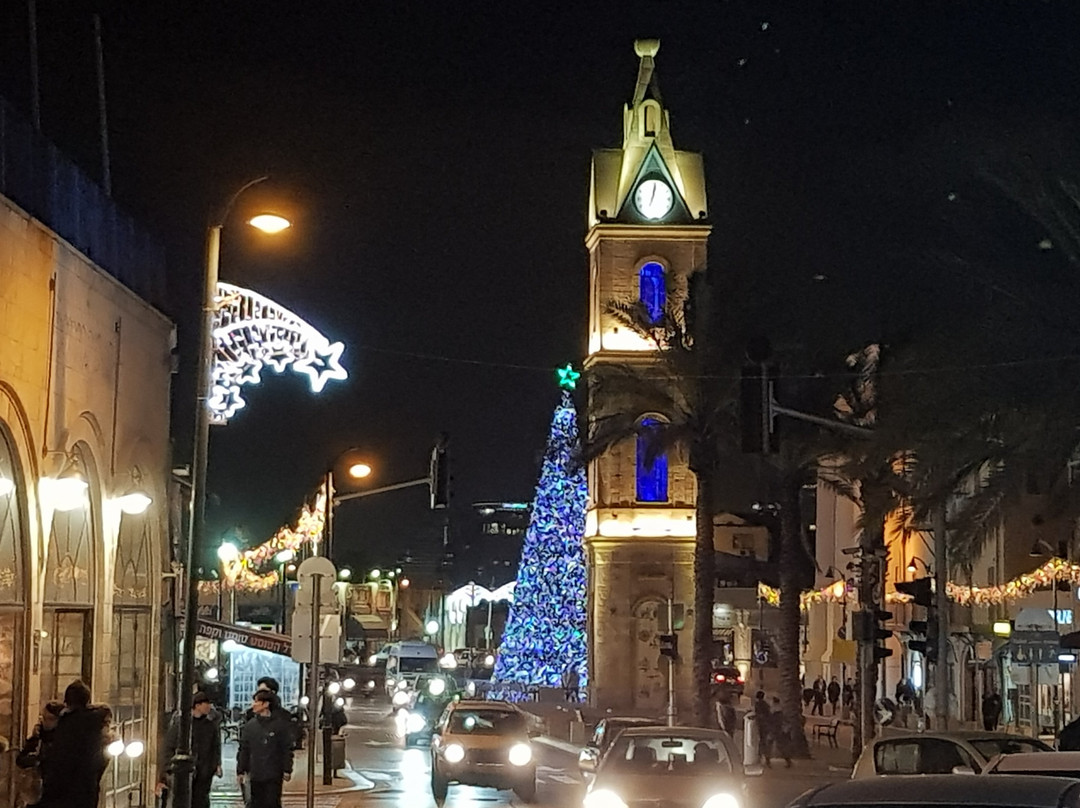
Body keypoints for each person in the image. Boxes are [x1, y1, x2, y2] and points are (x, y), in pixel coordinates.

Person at [41, 680, 112, 808]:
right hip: (87, 790)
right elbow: (100, 760)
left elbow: (60, 761)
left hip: (64, 792)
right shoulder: (95, 724)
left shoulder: (68, 725)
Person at [158, 692, 222, 808]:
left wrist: (215, 765)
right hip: (185, 773)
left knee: (201, 800)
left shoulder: (210, 726)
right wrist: (168, 767)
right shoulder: (181, 725)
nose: (209, 707)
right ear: (197, 705)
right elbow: (168, 746)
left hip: (204, 772)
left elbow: (215, 747)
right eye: (206, 704)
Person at [238, 690, 294, 808]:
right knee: (255, 803)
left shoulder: (280, 725)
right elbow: (244, 749)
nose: (254, 704)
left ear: (266, 704)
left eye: (257, 701)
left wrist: (287, 768)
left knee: (272, 803)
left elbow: (286, 748)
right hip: (255, 773)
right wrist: (241, 770)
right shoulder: (250, 726)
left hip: (273, 774)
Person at [15, 700, 63, 806]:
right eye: (43, 718)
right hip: (36, 793)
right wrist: (33, 741)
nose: (45, 722)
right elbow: (21, 760)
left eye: (50, 719)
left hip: (54, 795)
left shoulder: (62, 740)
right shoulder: (39, 736)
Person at [752, 691, 772, 766]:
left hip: (762, 725)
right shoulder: (765, 704)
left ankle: (762, 757)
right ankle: (766, 759)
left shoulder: (758, 704)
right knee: (764, 741)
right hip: (765, 725)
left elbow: (759, 714)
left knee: (762, 741)